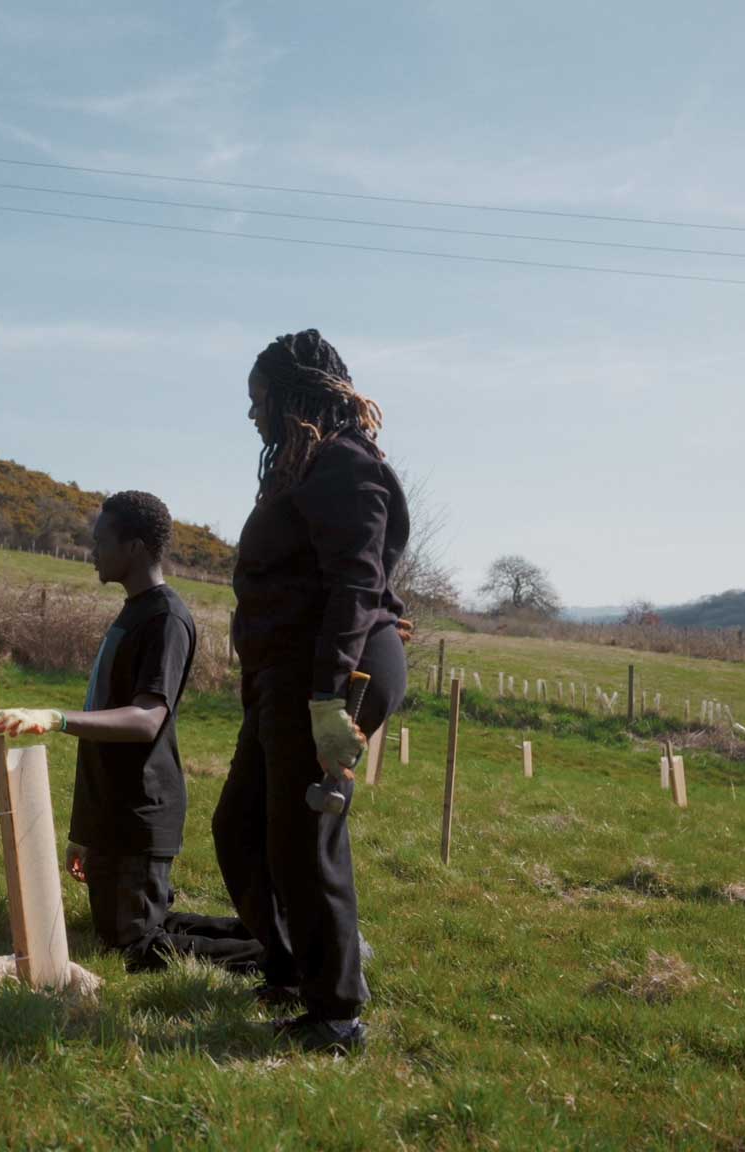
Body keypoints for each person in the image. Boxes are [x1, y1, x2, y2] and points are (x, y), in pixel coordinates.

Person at [213, 329, 412, 1055]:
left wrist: (328, 699)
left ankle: (336, 1015)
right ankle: (297, 970)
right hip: (288, 676)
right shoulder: (304, 470)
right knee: (241, 828)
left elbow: (355, 586)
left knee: (305, 840)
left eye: (259, 401)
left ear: (295, 397)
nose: (253, 416)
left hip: (332, 671)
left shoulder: (344, 466)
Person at [0, 490, 263, 974]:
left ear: (133, 548)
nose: (92, 551)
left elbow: (147, 718)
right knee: (134, 929)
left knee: (133, 946)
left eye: (101, 541)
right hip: (112, 814)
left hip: (140, 812)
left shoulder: (166, 619)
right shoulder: (134, 611)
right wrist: (84, 832)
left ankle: (297, 957)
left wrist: (56, 718)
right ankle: (290, 937)